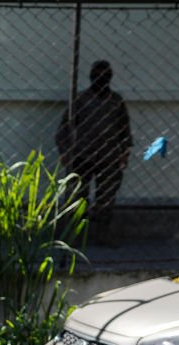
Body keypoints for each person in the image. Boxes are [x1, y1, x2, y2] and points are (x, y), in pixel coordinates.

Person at [56, 60, 132, 246]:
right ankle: (74, 236)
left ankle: (102, 235)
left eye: (104, 74)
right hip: (82, 155)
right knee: (77, 197)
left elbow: (124, 129)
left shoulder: (116, 101)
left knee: (105, 198)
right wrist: (65, 152)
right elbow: (64, 128)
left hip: (109, 156)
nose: (100, 77)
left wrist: (125, 152)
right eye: (97, 73)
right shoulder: (80, 100)